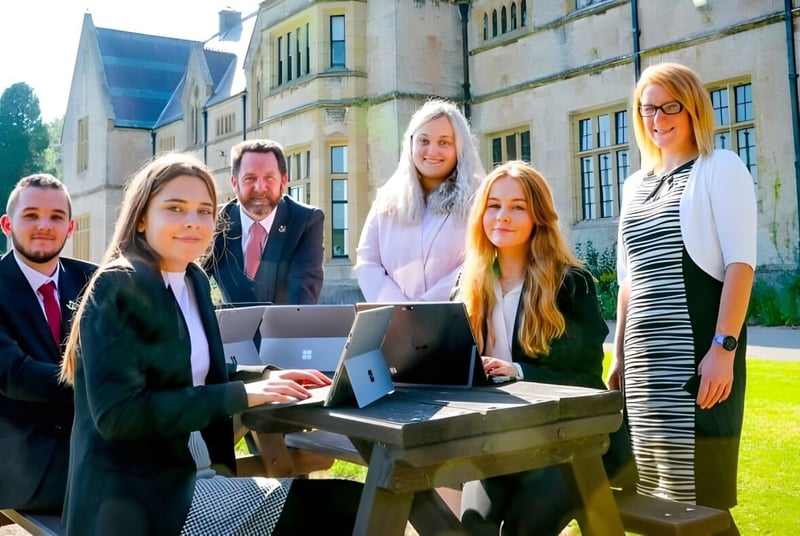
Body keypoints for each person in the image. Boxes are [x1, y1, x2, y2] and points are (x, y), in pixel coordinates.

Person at [60, 154, 361, 535]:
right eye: (175, 208)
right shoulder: (118, 286)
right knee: (350, 508)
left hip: (196, 475)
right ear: (140, 218)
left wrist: (267, 377)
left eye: (204, 211)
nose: (193, 221)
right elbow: (119, 416)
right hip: (142, 500)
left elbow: (191, 371)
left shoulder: (193, 280)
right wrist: (242, 396)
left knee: (360, 501)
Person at [608, 62, 756, 535]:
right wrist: (619, 355)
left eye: (671, 106)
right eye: (648, 108)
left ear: (693, 108)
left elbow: (740, 266)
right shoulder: (633, 186)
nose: (659, 118)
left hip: (699, 360)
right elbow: (628, 282)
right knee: (655, 498)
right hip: (646, 368)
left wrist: (723, 349)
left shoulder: (720, 167)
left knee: (703, 500)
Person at [456, 161, 635, 535]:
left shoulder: (571, 284)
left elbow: (585, 377)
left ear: (538, 215)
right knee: (475, 526)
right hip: (499, 441)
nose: (502, 216)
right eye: (494, 205)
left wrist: (518, 373)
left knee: (524, 530)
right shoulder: (469, 284)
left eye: (517, 207)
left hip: (574, 443)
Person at [0, 174, 96, 513]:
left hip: (94, 441)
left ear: (70, 228)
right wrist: (107, 380)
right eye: (31, 215)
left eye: (56, 217)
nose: (45, 225)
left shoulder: (95, 281)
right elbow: (15, 376)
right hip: (22, 462)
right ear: (7, 224)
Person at [355, 99, 484, 302]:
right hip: (395, 324)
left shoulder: (479, 202)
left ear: (460, 147)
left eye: (444, 142)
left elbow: (479, 262)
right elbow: (367, 262)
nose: (432, 152)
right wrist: (401, 310)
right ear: (411, 144)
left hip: (455, 321)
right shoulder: (386, 200)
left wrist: (425, 308)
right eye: (424, 141)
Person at [204, 139, 324, 305]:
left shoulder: (306, 221)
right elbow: (192, 282)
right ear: (234, 183)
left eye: (269, 178)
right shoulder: (215, 221)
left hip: (285, 328)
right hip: (229, 329)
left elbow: (302, 296)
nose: (260, 188)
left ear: (283, 182)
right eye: (250, 178)